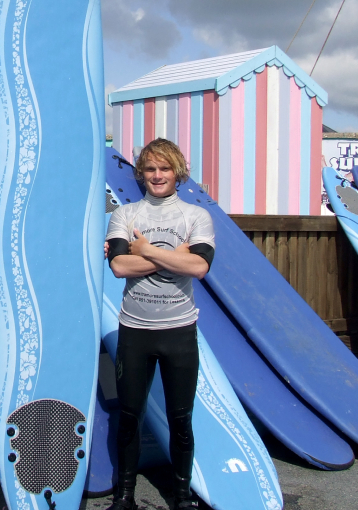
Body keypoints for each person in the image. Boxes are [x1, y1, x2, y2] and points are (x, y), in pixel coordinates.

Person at [104, 138, 214, 510]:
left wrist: (147, 251)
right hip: (134, 332)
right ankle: (124, 496)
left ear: (177, 171)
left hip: (179, 332)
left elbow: (199, 267)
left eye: (164, 168)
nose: (157, 175)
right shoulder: (125, 214)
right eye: (150, 169)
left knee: (180, 418)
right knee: (130, 416)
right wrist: (173, 256)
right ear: (141, 173)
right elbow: (119, 266)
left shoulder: (196, 217)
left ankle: (181, 497)